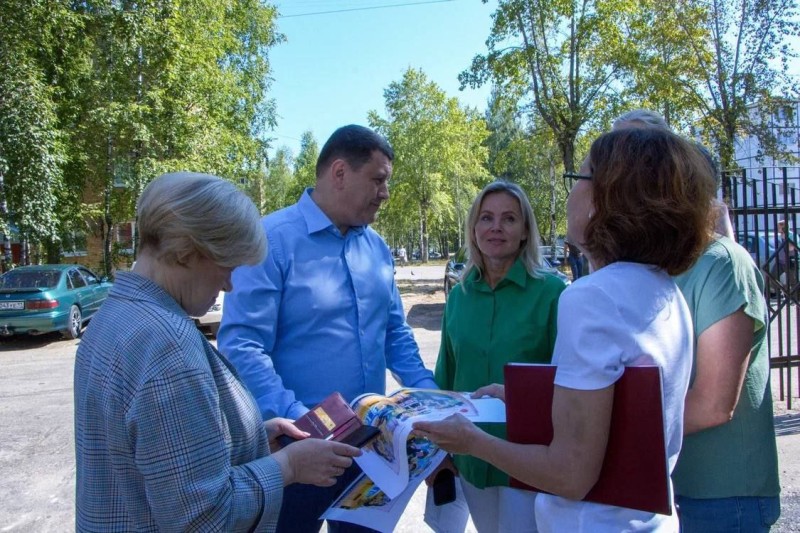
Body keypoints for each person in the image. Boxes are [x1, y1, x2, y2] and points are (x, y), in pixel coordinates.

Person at [414, 128, 716, 531]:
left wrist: (472, 442)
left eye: (579, 178)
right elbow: (619, 407)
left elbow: (571, 474)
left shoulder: (590, 297)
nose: (571, 191)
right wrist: (521, 398)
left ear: (606, 200)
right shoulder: (663, 287)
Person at [74, 172, 360, 532]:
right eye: (227, 265)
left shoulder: (115, 314)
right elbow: (203, 517)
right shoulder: (167, 345)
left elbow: (155, 456)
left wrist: (250, 439)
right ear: (187, 250)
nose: (229, 284)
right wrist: (288, 466)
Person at [218, 125, 437, 532]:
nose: (385, 192)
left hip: (369, 452)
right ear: (339, 173)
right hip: (292, 452)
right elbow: (243, 345)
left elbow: (395, 335)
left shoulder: (376, 248)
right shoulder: (270, 241)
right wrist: (301, 422)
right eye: (378, 179)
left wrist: (432, 399)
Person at [614, 109, 782, 531]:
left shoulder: (722, 262)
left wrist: (606, 426)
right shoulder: (659, 264)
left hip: (723, 495)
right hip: (668, 487)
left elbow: (712, 404)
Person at [434, 180, 567, 531]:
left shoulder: (553, 294)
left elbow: (568, 381)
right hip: (470, 460)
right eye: (486, 218)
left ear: (525, 231)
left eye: (509, 219)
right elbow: (446, 375)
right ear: (473, 229)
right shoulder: (460, 295)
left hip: (528, 460)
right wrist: (437, 450)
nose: (496, 227)